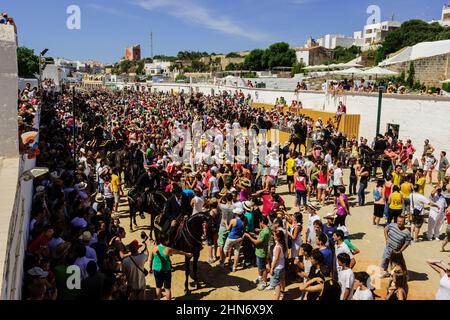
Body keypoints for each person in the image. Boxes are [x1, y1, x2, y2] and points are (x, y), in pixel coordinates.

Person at [150, 234, 192, 300]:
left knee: (158, 287)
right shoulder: (168, 249)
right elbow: (179, 252)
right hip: (166, 270)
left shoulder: (154, 248)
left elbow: (150, 259)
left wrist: (150, 268)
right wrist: (187, 254)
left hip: (156, 269)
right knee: (167, 288)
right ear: (166, 241)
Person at [245, 216, 271, 290]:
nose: (259, 223)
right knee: (260, 267)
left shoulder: (264, 232)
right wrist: (255, 235)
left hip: (261, 252)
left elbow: (257, 242)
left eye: (260, 222)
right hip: (260, 251)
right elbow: (260, 239)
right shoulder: (266, 230)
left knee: (263, 269)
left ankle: (264, 282)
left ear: (262, 222)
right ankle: (260, 278)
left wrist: (249, 236)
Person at [223, 208, 245, 272]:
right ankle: (234, 268)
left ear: (236, 214)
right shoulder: (243, 222)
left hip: (231, 237)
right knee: (236, 252)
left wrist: (225, 223)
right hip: (239, 238)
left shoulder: (233, 220)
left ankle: (222, 263)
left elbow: (228, 229)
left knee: (225, 249)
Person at [270, 230, 286, 300]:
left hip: (277, 268)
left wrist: (271, 268)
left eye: (274, 236)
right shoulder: (282, 244)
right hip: (282, 266)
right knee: (282, 280)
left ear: (278, 237)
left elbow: (276, 259)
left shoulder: (277, 247)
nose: (273, 237)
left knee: (276, 285)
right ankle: (282, 292)